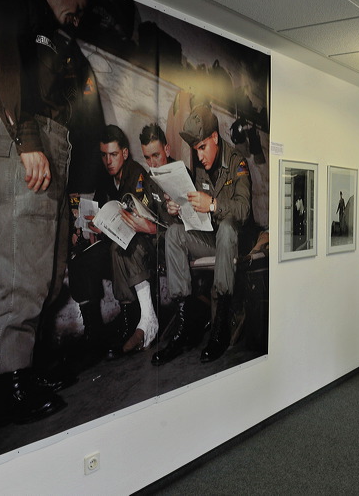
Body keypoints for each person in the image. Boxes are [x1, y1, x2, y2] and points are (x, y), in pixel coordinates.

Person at [0, 0, 99, 424]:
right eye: (80, 3)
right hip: (30, 145)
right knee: (20, 273)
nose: (79, 15)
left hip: (55, 148)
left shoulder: (57, 36)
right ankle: (4, 385)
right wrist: (28, 141)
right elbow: (3, 62)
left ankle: (26, 367)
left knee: (49, 274)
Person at [152, 105, 253, 366]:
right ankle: (185, 322)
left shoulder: (237, 163)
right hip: (211, 239)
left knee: (228, 227)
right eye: (195, 149)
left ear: (215, 139)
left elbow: (243, 209)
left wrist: (213, 204)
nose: (199, 155)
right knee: (174, 233)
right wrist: (176, 208)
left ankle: (220, 323)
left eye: (203, 147)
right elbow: (196, 216)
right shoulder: (199, 168)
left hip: (233, 242)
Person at [69, 125, 169, 360]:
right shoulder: (105, 180)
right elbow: (98, 213)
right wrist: (92, 225)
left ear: (124, 153)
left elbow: (145, 218)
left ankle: (130, 318)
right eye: (103, 155)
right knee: (80, 260)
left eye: (113, 155)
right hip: (114, 240)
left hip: (140, 242)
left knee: (118, 249)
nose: (108, 161)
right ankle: (93, 331)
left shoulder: (137, 175)